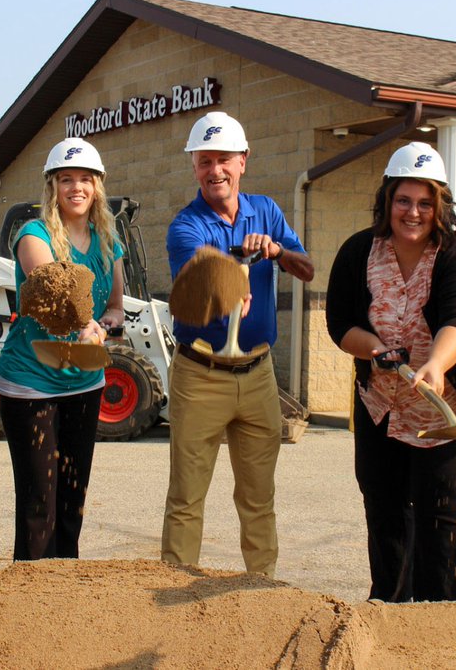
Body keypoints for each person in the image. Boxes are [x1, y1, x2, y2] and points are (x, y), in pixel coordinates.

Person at [325, 142, 456, 602]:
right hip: (382, 402)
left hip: (445, 406)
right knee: (383, 507)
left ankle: (441, 614)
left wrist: (435, 365)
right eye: (404, 200)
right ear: (387, 200)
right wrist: (376, 348)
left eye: (425, 203)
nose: (413, 212)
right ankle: (388, 604)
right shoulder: (359, 251)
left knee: (440, 515)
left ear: (440, 205)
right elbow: (340, 322)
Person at [162, 111, 314, 577]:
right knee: (187, 496)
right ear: (194, 167)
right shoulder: (185, 225)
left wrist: (276, 250)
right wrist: (229, 278)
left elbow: (306, 269)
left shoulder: (267, 210)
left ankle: (259, 590)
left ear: (243, 160)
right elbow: (199, 272)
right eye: (204, 161)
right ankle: (176, 587)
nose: (215, 171)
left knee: (258, 496)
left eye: (223, 159)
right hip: (199, 375)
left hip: (258, 374)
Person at [0, 138, 124, 560]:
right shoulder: (33, 235)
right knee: (39, 500)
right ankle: (29, 595)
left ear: (97, 186)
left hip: (85, 376)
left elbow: (116, 305)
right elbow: (55, 287)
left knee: (72, 496)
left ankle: (64, 587)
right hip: (32, 379)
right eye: (66, 179)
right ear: (52, 186)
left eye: (85, 179)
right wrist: (85, 323)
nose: (77, 187)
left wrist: (108, 324)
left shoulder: (108, 241)